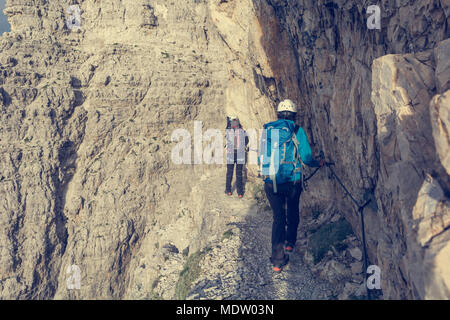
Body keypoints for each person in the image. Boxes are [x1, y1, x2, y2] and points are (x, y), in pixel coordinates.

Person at [259, 99, 324, 272]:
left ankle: (277, 261)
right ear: (294, 116)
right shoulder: (296, 130)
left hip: (271, 181)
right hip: (292, 181)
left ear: (278, 115)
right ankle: (289, 244)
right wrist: (319, 163)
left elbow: (261, 157)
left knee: (278, 218)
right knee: (292, 211)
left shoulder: (267, 131)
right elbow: (307, 157)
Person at [225, 115, 249, 198]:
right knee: (239, 173)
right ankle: (240, 192)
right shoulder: (242, 130)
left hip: (231, 154)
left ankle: (228, 190)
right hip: (240, 153)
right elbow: (246, 140)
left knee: (229, 173)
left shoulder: (228, 130)